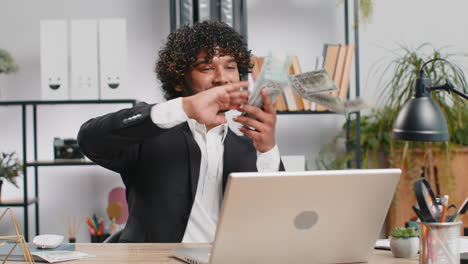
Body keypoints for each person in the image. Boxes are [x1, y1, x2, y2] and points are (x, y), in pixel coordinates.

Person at [77, 21, 284, 243]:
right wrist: (184, 107)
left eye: (230, 67)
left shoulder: (249, 148)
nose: (222, 78)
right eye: (206, 68)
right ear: (178, 81)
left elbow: (275, 218)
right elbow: (90, 140)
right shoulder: (148, 135)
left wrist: (268, 150)